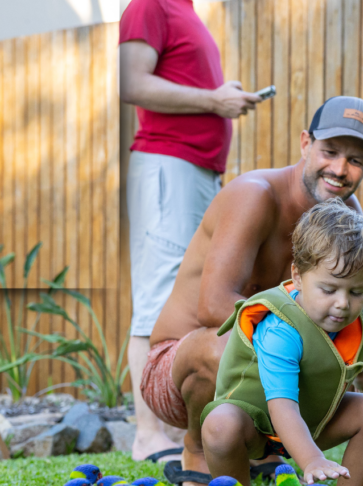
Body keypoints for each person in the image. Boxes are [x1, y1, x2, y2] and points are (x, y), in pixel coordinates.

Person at [141, 95, 363, 486]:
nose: (339, 169)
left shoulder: (348, 215)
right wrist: (305, 344)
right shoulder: (255, 194)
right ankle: (198, 451)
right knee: (226, 345)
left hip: (282, 356)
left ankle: (274, 447)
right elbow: (214, 307)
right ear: (306, 143)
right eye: (330, 151)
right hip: (183, 363)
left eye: (355, 160)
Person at [119, 0, 262, 462]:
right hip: (169, 166)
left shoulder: (186, 11)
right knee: (159, 295)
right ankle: (147, 436)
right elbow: (131, 82)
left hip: (197, 171)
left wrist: (222, 95)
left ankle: (191, 433)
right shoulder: (149, 4)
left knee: (192, 297)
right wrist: (213, 100)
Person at [201, 200, 363, 486]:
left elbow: (356, 375)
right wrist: (312, 460)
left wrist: (362, 388)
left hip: (312, 420)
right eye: (328, 289)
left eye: (357, 291)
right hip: (256, 423)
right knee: (219, 425)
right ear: (298, 277)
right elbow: (283, 407)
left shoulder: (354, 321)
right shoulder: (281, 329)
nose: (343, 303)